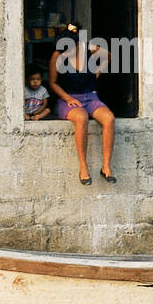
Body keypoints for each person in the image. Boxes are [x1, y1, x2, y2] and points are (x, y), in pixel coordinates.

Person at [49, 21, 115, 185]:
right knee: (81, 118)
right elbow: (53, 83)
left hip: (90, 97)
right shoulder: (58, 55)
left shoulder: (87, 49)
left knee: (109, 119)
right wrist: (68, 98)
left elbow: (108, 56)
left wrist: (96, 74)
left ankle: (106, 166)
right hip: (69, 98)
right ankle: (83, 167)